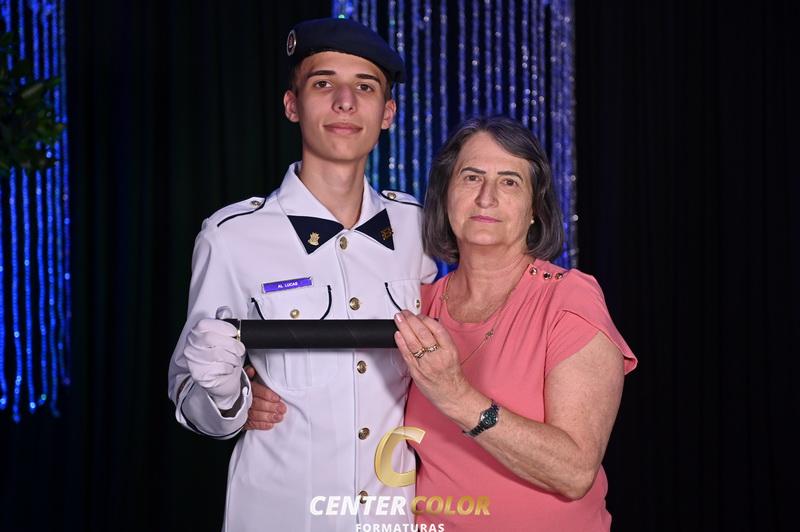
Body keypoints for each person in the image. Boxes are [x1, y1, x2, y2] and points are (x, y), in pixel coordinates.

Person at [167, 17, 437, 531]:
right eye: (323, 84)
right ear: (292, 106)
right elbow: (190, 398)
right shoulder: (232, 237)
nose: (345, 102)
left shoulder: (418, 228)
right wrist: (227, 397)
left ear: (388, 114)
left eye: (365, 87)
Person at [391, 116, 638, 531]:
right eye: (471, 177)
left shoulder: (568, 299)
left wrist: (456, 396)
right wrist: (269, 396)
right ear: (446, 194)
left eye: (509, 182)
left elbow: (575, 471)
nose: (486, 198)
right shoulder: (419, 304)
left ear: (534, 209)